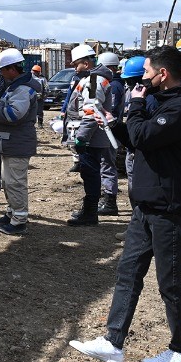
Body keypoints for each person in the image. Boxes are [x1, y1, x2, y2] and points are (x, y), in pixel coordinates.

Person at [69, 45, 181, 362]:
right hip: (146, 204)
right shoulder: (163, 102)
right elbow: (135, 137)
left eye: (146, 73)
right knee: (128, 273)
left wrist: (138, 105)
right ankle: (112, 342)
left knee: (170, 283)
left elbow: (144, 134)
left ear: (163, 74)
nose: (141, 80)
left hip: (170, 207)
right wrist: (112, 122)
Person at [0, 48, 40, 236]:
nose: (1, 74)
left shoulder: (22, 89)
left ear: (12, 69)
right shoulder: (15, 87)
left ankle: (19, 221)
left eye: (2, 70)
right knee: (7, 181)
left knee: (15, 183)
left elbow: (13, 115)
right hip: (10, 143)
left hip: (17, 144)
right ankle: (12, 212)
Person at [64, 44, 114, 226]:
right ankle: (89, 210)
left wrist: (82, 137)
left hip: (91, 138)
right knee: (89, 172)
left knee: (90, 173)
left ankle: (90, 213)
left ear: (85, 63)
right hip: (92, 136)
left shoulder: (94, 81)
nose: (74, 66)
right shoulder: (93, 79)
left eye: (76, 63)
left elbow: (92, 110)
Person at [96, 52, 126, 217]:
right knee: (104, 165)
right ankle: (106, 197)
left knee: (107, 166)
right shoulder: (114, 84)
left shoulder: (113, 85)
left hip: (110, 132)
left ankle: (110, 201)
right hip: (109, 131)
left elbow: (110, 110)